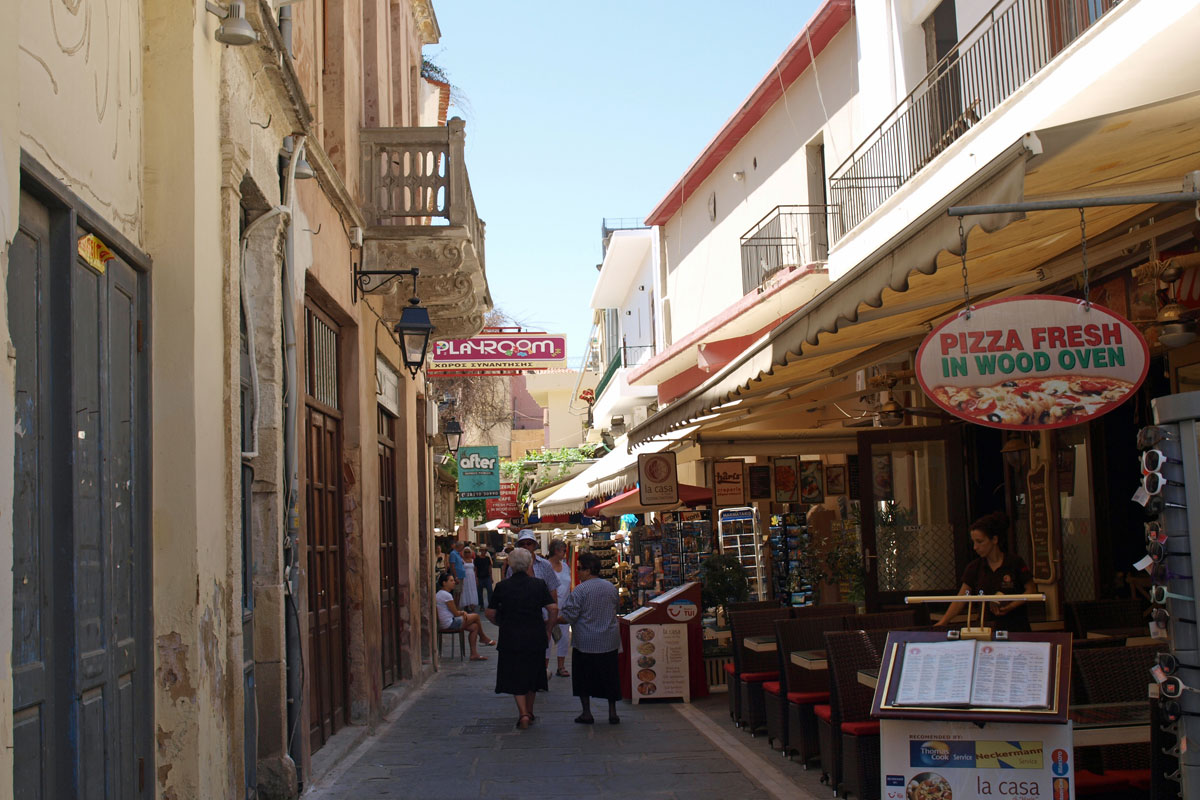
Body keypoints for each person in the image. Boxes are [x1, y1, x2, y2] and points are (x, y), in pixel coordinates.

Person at [487, 547, 558, 729]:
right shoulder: (538, 584)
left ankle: (523, 713)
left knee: (515, 674)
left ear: (510, 564)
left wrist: (500, 623)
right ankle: (530, 710)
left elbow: (490, 612)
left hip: (511, 636)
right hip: (534, 635)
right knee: (533, 674)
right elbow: (553, 608)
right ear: (529, 564)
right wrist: (548, 629)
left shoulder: (502, 586)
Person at [936, 511, 1037, 632]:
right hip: (987, 629)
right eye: (973, 542)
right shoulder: (974, 567)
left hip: (1016, 628)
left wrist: (1011, 605)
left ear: (994, 539)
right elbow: (961, 598)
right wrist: (943, 622)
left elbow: (1031, 590)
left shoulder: (1015, 562)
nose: (975, 547)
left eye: (980, 542)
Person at [557, 551, 622, 725]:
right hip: (609, 640)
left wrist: (554, 619)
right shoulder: (611, 587)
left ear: (588, 570)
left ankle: (587, 712)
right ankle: (612, 712)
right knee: (610, 677)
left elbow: (569, 615)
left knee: (583, 679)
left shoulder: (580, 590)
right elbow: (617, 605)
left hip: (586, 642)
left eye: (579, 569)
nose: (578, 572)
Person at [435, 572, 496, 661]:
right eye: (451, 581)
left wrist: (462, 613)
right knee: (476, 616)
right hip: (450, 623)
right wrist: (463, 613)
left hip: (447, 622)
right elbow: (455, 613)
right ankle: (483, 637)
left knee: (474, 627)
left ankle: (474, 654)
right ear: (444, 583)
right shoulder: (446, 595)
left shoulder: (440, 594)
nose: (453, 582)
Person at [546, 539, 573, 677]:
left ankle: (561, 666)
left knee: (563, 638)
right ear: (557, 551)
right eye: (563, 551)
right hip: (548, 608)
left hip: (565, 607)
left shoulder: (565, 566)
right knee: (548, 637)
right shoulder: (545, 566)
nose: (565, 553)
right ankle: (544, 667)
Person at [448, 541, 466, 605]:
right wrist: (455, 577)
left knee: (459, 592)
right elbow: (452, 566)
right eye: (462, 547)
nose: (462, 548)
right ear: (459, 546)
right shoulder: (453, 554)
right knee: (456, 593)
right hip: (457, 576)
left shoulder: (458, 554)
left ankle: (457, 607)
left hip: (461, 576)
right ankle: (456, 608)